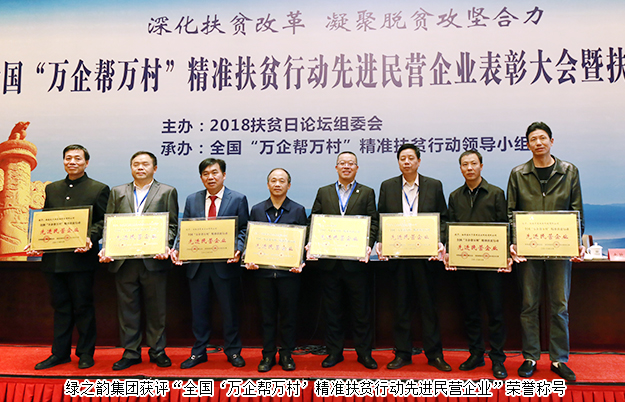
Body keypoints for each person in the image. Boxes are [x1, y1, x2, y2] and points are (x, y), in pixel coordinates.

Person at [507, 122, 584, 382]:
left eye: (542, 138)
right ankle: (530, 356)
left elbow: (576, 209)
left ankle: (559, 358)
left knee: (560, 305)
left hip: (560, 247)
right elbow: (511, 212)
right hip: (528, 250)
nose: (538, 143)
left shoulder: (569, 171)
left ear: (552, 141)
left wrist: (576, 241)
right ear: (527, 144)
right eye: (533, 139)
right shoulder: (518, 173)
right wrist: (513, 242)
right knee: (529, 304)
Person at [30, 145, 109, 370]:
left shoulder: (98, 188)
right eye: (68, 158)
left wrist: (89, 236)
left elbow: (104, 221)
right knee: (61, 308)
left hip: (81, 260)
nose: (72, 162)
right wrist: (36, 242)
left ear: (86, 162)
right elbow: (46, 220)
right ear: (63, 161)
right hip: (54, 261)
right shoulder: (52, 188)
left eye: (77, 158)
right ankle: (60, 353)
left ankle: (85, 353)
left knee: (83, 307)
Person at [99, 151, 178, 370]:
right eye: (136, 164)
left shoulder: (167, 191)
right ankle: (131, 352)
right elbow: (109, 223)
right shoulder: (117, 192)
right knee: (128, 309)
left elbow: (172, 224)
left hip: (154, 259)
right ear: (131, 167)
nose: (140, 167)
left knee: (157, 309)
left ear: (155, 168)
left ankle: (157, 350)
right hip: (124, 261)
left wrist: (165, 244)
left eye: (145, 164)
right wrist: (107, 247)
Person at [376, 143, 451, 372]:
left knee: (428, 306)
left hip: (425, 256)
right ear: (398, 162)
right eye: (402, 158)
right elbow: (381, 218)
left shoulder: (434, 185)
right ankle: (402, 353)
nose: (406, 162)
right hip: (398, 256)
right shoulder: (387, 186)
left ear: (419, 161)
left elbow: (443, 218)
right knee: (400, 306)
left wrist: (440, 241)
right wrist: (380, 242)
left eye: (411, 158)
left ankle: (434, 354)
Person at [172, 158, 248, 369]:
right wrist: (178, 248)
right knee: (199, 312)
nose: (210, 177)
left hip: (225, 264)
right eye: (205, 174)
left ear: (224, 175)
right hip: (198, 265)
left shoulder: (238, 198)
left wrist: (238, 247)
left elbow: (243, 228)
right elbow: (185, 228)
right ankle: (199, 352)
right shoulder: (192, 199)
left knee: (229, 311)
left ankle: (233, 351)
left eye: (215, 172)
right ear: (201, 178)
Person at [307, 151, 379, 369]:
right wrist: (312, 242)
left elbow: (373, 223)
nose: (346, 166)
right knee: (332, 311)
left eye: (351, 163)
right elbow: (314, 220)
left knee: (361, 311)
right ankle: (334, 352)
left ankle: (364, 354)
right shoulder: (324, 192)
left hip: (356, 263)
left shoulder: (366, 192)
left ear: (357, 168)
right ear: (336, 167)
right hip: (330, 263)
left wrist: (368, 245)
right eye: (342, 163)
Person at [445, 149, 511, 379]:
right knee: (470, 311)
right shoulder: (455, 196)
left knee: (495, 312)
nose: (469, 168)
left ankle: (498, 358)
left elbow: (504, 226)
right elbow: (450, 228)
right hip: (464, 265)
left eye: (473, 163)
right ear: (460, 168)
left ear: (481, 166)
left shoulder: (496, 193)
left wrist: (506, 255)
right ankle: (476, 354)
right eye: (465, 164)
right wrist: (450, 253)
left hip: (491, 264)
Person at [245, 168, 307, 372]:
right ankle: (268, 355)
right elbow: (251, 240)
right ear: (268, 184)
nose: (277, 184)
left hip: (289, 274)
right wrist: (249, 259)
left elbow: (303, 241)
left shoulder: (298, 210)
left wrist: (300, 261)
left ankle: (287, 354)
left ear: (289, 185)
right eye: (273, 180)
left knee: (289, 317)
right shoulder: (257, 210)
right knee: (267, 317)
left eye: (282, 181)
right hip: (263, 274)